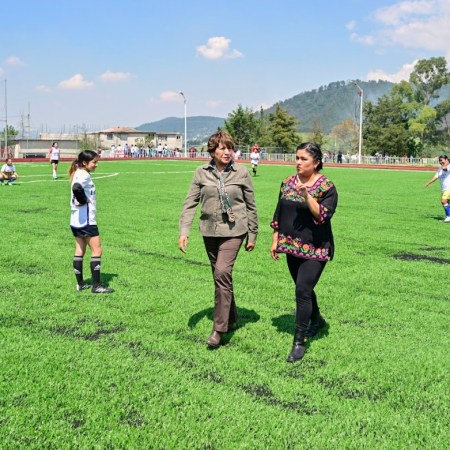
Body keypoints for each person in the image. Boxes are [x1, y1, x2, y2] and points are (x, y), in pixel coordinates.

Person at [178, 130, 258, 347]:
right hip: (209, 231)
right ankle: (231, 318)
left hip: (234, 230)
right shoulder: (200, 173)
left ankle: (219, 329)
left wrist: (252, 234)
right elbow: (190, 203)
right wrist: (184, 231)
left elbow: (251, 206)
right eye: (222, 148)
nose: (227, 152)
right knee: (220, 277)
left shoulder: (242, 172)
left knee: (222, 272)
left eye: (230, 148)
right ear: (212, 151)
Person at [270, 143, 338, 362]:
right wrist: (275, 239)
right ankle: (317, 319)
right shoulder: (287, 182)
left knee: (302, 290)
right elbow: (279, 211)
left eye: (303, 159)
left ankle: (299, 342)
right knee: (305, 290)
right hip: (291, 246)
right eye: (297, 158)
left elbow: (323, 215)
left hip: (316, 247)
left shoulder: (326, 187)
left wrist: (307, 196)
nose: (298, 162)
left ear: (316, 162)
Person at [68, 150, 114, 293]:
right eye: (94, 162)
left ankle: (81, 284)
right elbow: (77, 188)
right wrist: (83, 200)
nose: (96, 165)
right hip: (87, 220)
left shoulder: (77, 172)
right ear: (84, 163)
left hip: (75, 220)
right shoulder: (84, 175)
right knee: (97, 250)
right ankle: (97, 286)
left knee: (79, 250)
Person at [424, 155, 450, 222]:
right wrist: (428, 183)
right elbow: (436, 177)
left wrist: (446, 162)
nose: (440, 162)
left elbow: (445, 169)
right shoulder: (440, 168)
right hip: (444, 189)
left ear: (446, 159)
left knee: (443, 201)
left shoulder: (448, 166)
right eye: (439, 160)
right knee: (447, 203)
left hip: (449, 188)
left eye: (441, 160)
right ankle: (448, 216)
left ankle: (448, 217)